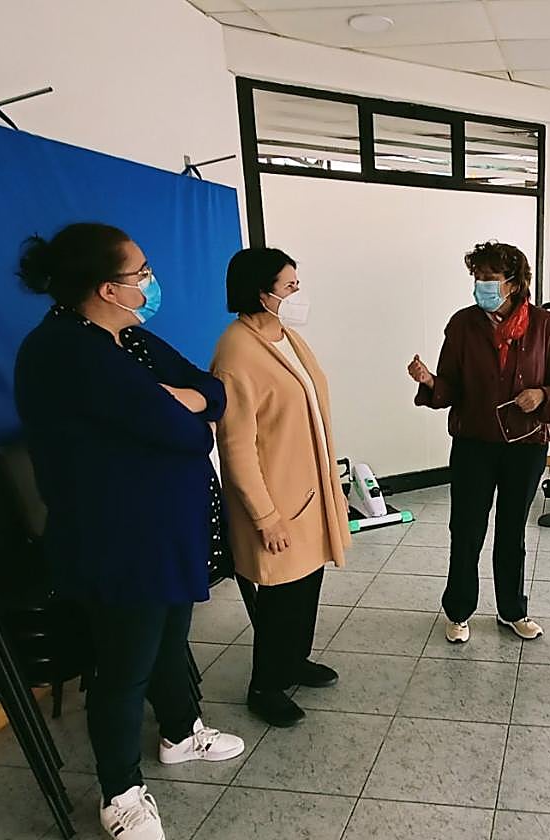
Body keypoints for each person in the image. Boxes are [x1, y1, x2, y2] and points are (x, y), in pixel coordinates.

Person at [14, 223, 245, 840]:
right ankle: (118, 793)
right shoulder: (65, 350)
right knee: (123, 668)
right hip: (117, 538)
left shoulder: (131, 339)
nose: (149, 280)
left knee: (169, 640)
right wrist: (187, 411)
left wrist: (181, 402)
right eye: (139, 272)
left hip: (167, 528)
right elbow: (184, 431)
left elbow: (214, 391)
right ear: (106, 288)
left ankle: (180, 733)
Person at [211, 247, 351, 728]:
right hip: (276, 503)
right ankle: (265, 686)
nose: (297, 294)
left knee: (306, 584)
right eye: (289, 286)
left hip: (308, 495)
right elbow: (236, 447)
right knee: (280, 597)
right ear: (261, 293)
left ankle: (294, 661)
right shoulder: (236, 353)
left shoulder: (285, 337)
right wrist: (265, 516)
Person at [408, 241, 550, 644]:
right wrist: (430, 381)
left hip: (526, 445)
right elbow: (450, 387)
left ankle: (512, 610)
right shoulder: (463, 324)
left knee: (512, 532)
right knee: (466, 530)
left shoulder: (545, 326)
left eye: (490, 278)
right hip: (474, 443)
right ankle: (459, 611)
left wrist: (541, 396)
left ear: (514, 283)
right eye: (477, 277)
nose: (482, 284)